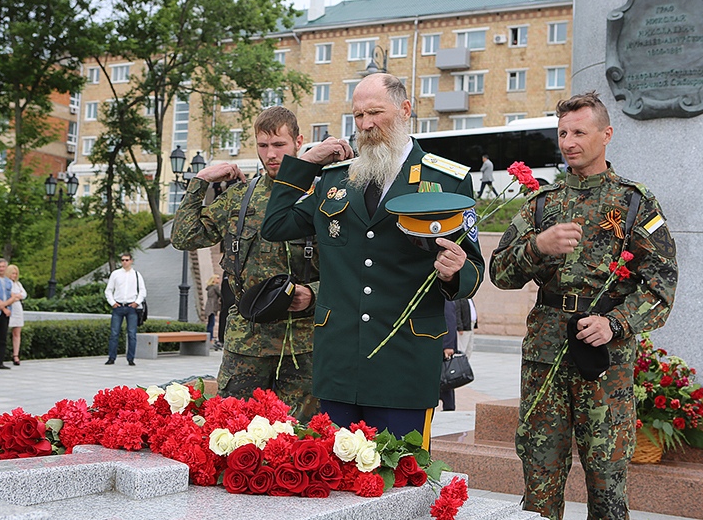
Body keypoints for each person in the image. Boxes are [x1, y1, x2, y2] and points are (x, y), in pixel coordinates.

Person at [262, 73, 485, 449]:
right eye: (358, 115)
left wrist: (455, 272)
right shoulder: (335, 178)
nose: (365, 125)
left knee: (403, 483)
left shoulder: (445, 181)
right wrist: (304, 164)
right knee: (332, 481)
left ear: (404, 110)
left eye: (375, 113)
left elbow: (473, 270)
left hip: (405, 363)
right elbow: (276, 224)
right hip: (340, 362)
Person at [489, 91, 678, 520]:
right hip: (545, 356)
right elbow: (500, 272)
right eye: (562, 133)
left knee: (607, 480)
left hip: (604, 362)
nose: (569, 141)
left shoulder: (634, 203)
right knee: (539, 472)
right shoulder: (542, 204)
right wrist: (538, 246)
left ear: (606, 134)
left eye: (579, 131)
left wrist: (616, 323)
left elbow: (661, 286)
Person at [171, 106, 322, 423]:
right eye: (263, 145)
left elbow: (347, 268)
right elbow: (184, 237)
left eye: (279, 145)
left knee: (301, 442)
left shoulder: (321, 196)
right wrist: (201, 180)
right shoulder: (241, 197)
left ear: (298, 141)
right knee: (230, 434)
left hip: (303, 344)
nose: (271, 155)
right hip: (246, 343)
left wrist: (314, 294)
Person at [104, 252, 146, 366]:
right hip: (118, 307)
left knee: (132, 334)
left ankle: (131, 358)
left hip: (131, 307)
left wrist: (136, 303)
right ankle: (111, 357)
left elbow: (142, 291)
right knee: (114, 333)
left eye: (127, 260)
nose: (124, 262)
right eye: (122, 260)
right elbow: (108, 290)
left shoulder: (136, 274)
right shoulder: (116, 274)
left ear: (131, 261)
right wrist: (112, 303)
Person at [4, 264, 27, 366]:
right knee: (4, 331)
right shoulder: (5, 282)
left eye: (16, 273)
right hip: (8, 307)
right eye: (13, 273)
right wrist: (16, 296)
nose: (14, 275)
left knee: (17, 333)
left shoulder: (17, 284)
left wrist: (16, 297)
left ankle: (16, 355)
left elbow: (24, 294)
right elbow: (9, 295)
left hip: (17, 308)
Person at [440, 300, 458, 411]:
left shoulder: (445, 298)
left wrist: (449, 345)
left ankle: (449, 406)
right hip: (437, 344)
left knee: (446, 376)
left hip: (443, 345)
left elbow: (450, 320)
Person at [205, 274, 222, 349]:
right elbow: (220, 294)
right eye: (217, 278)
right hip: (212, 305)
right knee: (212, 323)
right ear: (214, 279)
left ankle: (209, 337)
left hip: (208, 305)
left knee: (209, 323)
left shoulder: (210, 287)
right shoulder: (215, 287)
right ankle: (211, 338)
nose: (219, 279)